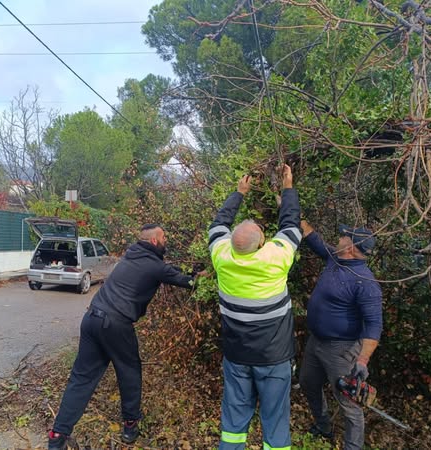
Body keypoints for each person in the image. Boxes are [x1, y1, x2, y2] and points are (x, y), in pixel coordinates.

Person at [48, 224, 201, 450]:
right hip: (116, 324)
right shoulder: (154, 265)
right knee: (129, 372)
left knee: (81, 378)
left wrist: (189, 270)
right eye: (164, 236)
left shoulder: (131, 257)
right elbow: (187, 281)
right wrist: (202, 276)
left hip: (91, 318)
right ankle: (130, 424)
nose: (166, 238)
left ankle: (58, 434)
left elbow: (168, 270)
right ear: (154, 242)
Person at [208, 166, 301, 450]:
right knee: (274, 419)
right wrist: (288, 188)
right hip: (273, 358)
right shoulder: (275, 258)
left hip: (237, 356)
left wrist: (238, 193)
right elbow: (291, 225)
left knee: (234, 421)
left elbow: (218, 225)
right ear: (262, 242)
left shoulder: (221, 256)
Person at [299, 220, 383, 450]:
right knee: (308, 382)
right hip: (316, 341)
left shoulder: (365, 282)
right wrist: (290, 205)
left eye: (343, 236)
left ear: (351, 246)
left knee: (349, 404)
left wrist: (362, 360)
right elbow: (315, 240)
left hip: (341, 350)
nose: (339, 238)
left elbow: (374, 325)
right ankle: (323, 426)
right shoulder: (335, 259)